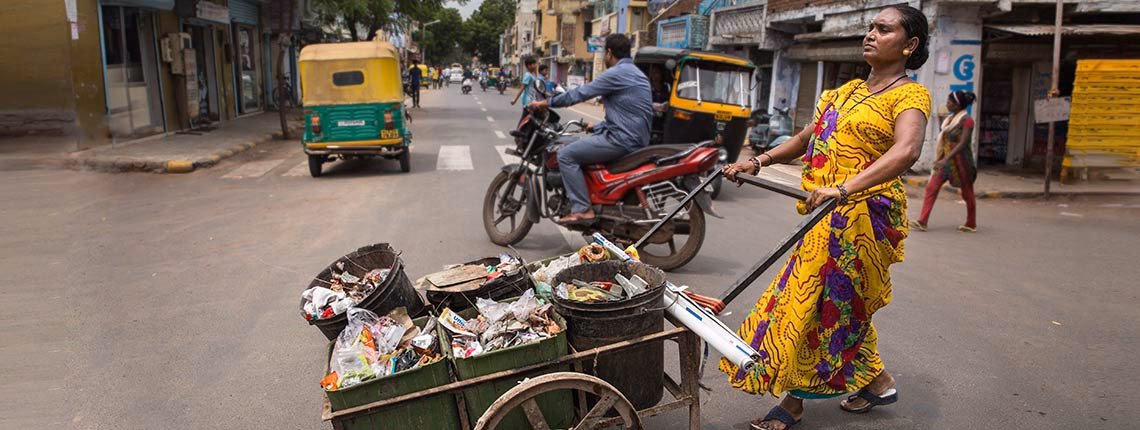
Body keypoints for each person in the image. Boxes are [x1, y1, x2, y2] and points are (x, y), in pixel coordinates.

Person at [719, 5, 931, 429]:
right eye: (870, 27)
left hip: (864, 222)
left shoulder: (910, 96)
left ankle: (792, 403)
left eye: (883, 29)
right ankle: (877, 382)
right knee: (840, 305)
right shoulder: (845, 92)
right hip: (825, 217)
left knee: (812, 303)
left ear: (910, 46)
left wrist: (844, 188)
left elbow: (906, 151)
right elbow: (803, 139)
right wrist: (757, 161)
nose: (870, 34)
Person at [527, 33, 653, 225]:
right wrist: (598, 126)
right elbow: (630, 114)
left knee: (566, 155)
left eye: (605, 52)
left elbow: (579, 94)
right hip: (636, 138)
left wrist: (546, 103)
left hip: (622, 140)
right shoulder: (637, 73)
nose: (604, 56)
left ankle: (582, 209)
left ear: (609, 52)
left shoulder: (616, 73)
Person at [913, 90, 978, 232]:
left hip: (961, 163)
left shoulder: (967, 120)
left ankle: (971, 223)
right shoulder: (949, 120)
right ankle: (922, 221)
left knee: (967, 192)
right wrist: (942, 159)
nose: (947, 104)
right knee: (932, 187)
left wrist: (945, 159)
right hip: (946, 161)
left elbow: (963, 144)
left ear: (957, 104)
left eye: (949, 102)